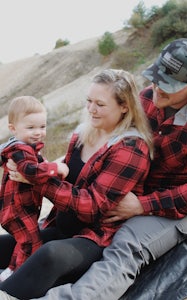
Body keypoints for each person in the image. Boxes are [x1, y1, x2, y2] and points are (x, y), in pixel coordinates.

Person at [26, 37, 187, 300]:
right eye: (156, 78)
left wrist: (142, 205)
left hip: (180, 204)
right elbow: (110, 137)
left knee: (128, 244)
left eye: (169, 85)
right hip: (133, 184)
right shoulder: (146, 98)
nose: (157, 89)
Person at [0, 69, 153, 299]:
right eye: (89, 101)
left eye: (100, 104)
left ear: (124, 107)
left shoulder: (131, 148)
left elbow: (91, 206)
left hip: (95, 237)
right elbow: (61, 175)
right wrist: (24, 166)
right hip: (60, 225)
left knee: (50, 255)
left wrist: (36, 180)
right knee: (6, 245)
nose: (91, 109)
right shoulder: (82, 134)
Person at [0, 96, 69, 282]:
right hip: (17, 209)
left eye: (42, 127)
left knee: (24, 242)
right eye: (31, 128)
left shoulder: (21, 147)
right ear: (13, 128)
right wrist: (55, 168)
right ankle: (17, 279)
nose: (38, 132)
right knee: (32, 243)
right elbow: (30, 171)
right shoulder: (20, 150)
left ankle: (10, 270)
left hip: (19, 207)